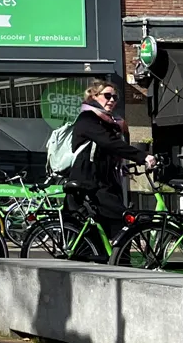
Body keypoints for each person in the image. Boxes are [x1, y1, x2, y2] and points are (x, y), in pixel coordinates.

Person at [64, 79, 152, 261]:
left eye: (115, 97)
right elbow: (108, 143)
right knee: (122, 220)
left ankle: (114, 267)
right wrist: (142, 156)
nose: (111, 100)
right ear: (93, 96)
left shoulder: (111, 122)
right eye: (107, 96)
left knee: (101, 231)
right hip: (88, 183)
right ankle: (121, 267)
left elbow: (108, 152)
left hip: (104, 181)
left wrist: (125, 165)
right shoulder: (88, 119)